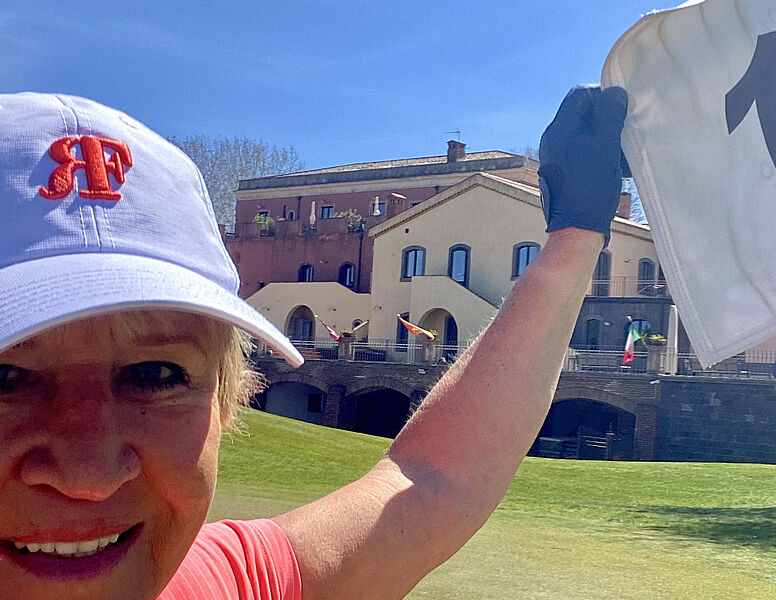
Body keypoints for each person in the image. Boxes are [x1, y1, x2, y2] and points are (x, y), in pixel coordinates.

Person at [0, 85, 628, 599]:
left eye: (155, 374)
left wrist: (574, 238)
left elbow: (435, 479)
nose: (87, 474)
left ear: (226, 402)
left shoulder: (225, 583)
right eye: (5, 377)